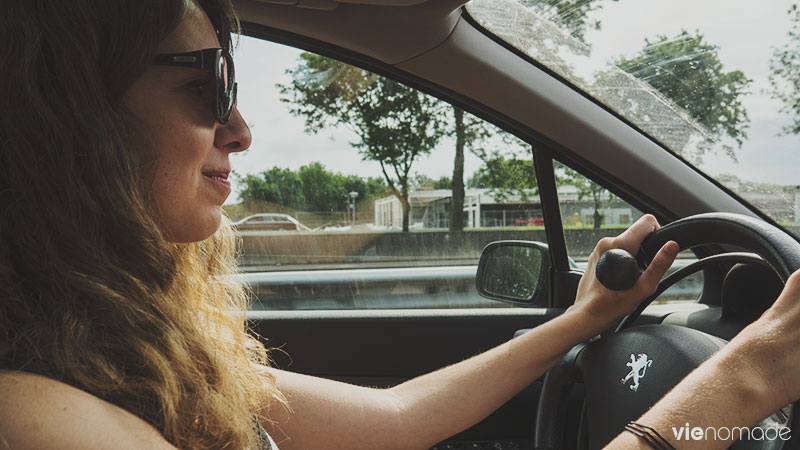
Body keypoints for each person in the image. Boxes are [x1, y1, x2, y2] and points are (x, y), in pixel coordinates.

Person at [0, 1, 795, 450]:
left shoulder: (139, 353)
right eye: (208, 85)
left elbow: (400, 418)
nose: (240, 129)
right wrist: (742, 379)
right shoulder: (40, 419)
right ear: (69, 121)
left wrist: (584, 320)